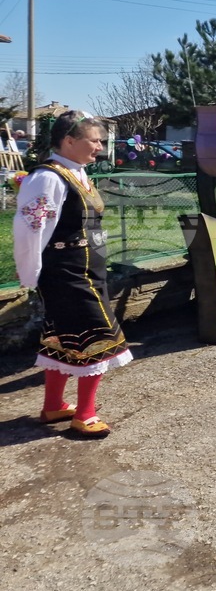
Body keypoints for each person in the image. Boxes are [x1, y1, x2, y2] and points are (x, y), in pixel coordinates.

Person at [13, 111, 131, 438]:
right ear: (69, 141)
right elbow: (29, 231)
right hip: (66, 274)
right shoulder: (48, 178)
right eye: (95, 140)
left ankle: (53, 406)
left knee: (62, 340)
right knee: (98, 338)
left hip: (86, 270)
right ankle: (85, 415)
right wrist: (31, 275)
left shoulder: (76, 173)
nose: (100, 147)